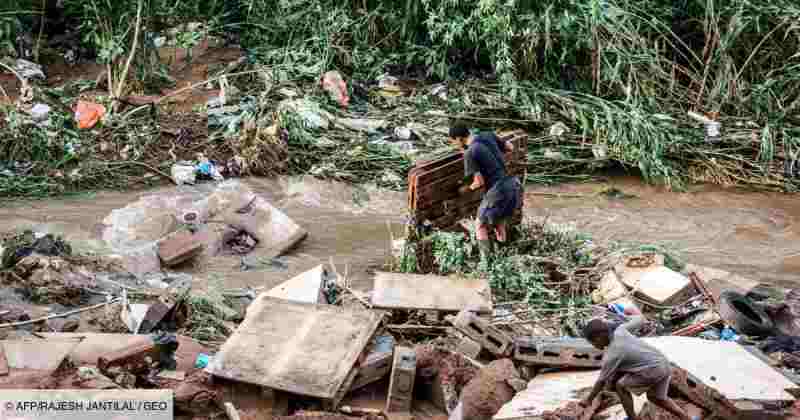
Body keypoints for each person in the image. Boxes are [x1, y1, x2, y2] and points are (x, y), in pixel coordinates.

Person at [580, 315, 695, 420]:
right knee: (656, 398)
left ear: (600, 336)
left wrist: (589, 399)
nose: (594, 346)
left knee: (621, 386)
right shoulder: (621, 330)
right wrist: (623, 316)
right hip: (664, 363)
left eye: (593, 342)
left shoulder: (613, 353)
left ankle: (632, 418)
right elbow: (640, 319)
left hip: (653, 370)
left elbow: (601, 381)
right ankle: (684, 417)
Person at [449, 122, 523, 268]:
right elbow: (510, 147)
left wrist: (465, 190)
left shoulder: (470, 153)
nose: (454, 144)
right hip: (512, 184)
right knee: (499, 222)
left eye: (453, 141)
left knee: (480, 225)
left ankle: (486, 265)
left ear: (458, 139)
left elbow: (479, 182)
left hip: (498, 190)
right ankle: (503, 256)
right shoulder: (487, 134)